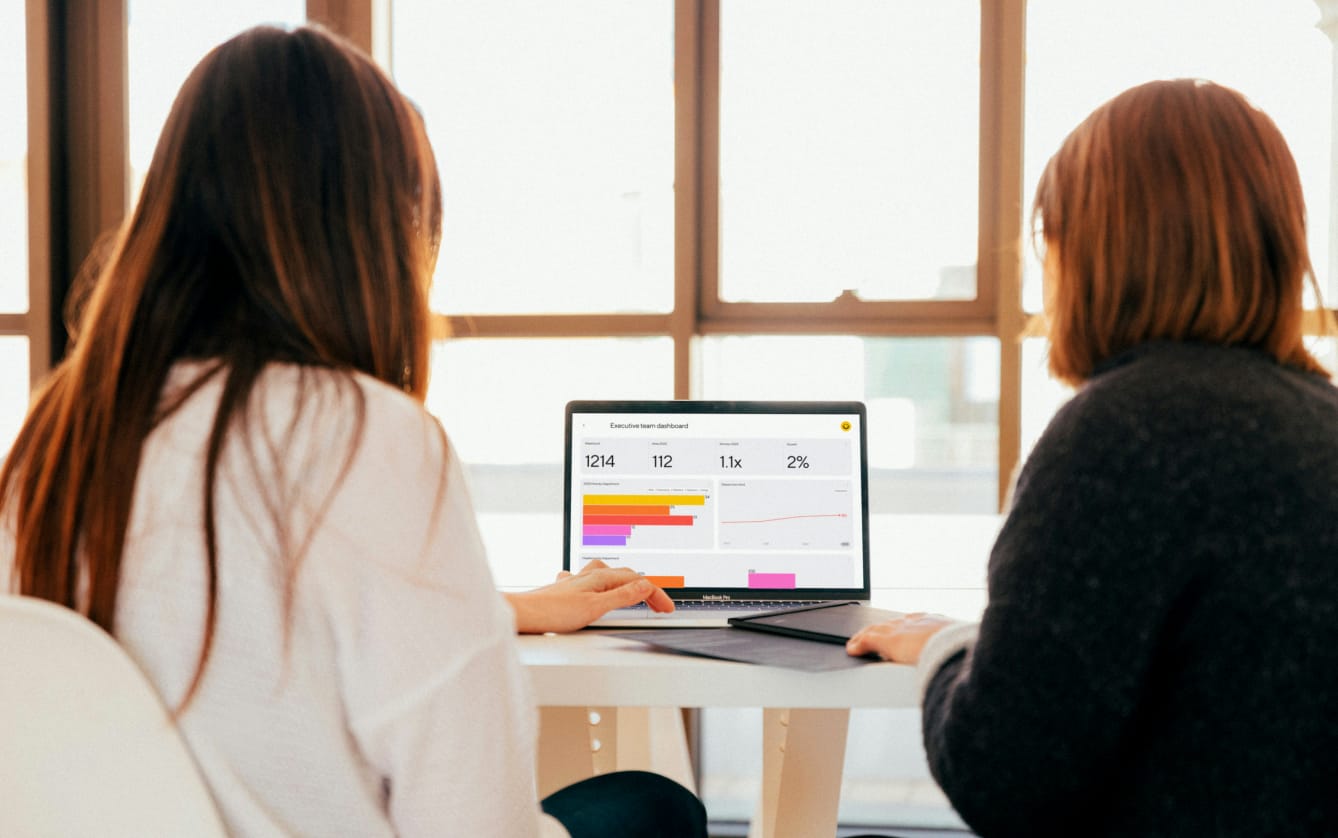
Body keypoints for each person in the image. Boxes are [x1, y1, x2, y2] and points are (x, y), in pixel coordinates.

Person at [0, 25, 704, 838]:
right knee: (656, 807)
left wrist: (498, 608)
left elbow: (229, 629)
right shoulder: (370, 438)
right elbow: (475, 821)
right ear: (373, 233)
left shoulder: (55, 439)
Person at [846, 79, 1338, 835]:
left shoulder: (1121, 433)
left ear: (1090, 248)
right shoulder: (1322, 419)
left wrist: (945, 649)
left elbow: (1002, 774)